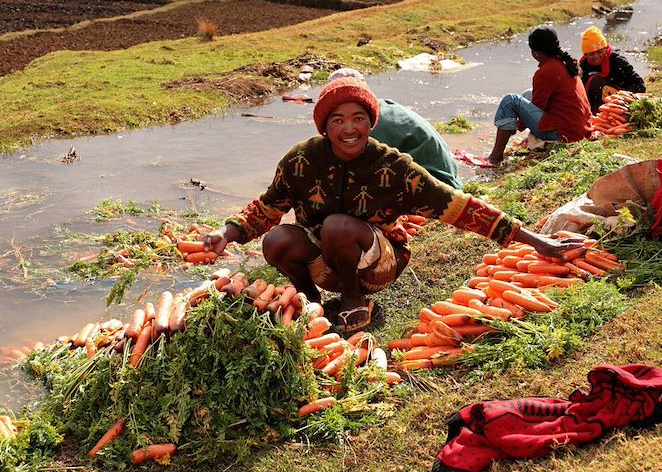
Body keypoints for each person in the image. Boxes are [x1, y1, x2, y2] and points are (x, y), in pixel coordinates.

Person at [203, 77, 582, 332]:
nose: (348, 129)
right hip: (326, 261)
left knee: (337, 223)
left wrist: (535, 241)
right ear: (324, 126)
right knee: (277, 240)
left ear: (371, 122)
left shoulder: (393, 166)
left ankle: (355, 299)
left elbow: (458, 206)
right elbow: (268, 208)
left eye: (358, 119)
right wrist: (228, 232)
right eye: (338, 120)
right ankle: (310, 300)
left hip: (377, 263)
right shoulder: (301, 160)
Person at [327, 68, 462, 189]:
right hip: (451, 180)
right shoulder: (384, 107)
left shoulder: (370, 124)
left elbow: (356, 170)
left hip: (436, 188)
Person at [483, 27, 591, 167]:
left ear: (535, 52)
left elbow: (539, 105)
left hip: (564, 134)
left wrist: (518, 124)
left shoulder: (546, 71)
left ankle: (495, 158)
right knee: (528, 93)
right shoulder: (565, 63)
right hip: (579, 128)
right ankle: (506, 133)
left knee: (509, 101)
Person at [579, 26, 646, 114]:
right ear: (585, 54)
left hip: (621, 104)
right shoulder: (583, 65)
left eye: (600, 52)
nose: (596, 57)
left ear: (605, 49)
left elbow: (640, 86)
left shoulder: (616, 60)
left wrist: (621, 98)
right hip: (595, 105)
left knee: (596, 82)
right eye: (591, 54)